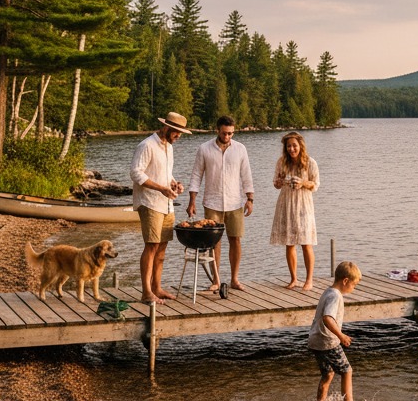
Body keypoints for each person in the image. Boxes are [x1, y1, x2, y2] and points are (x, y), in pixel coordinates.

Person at [187, 115, 254, 292]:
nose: (227, 137)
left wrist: (250, 198)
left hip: (235, 202)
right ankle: (216, 280)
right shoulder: (204, 149)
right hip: (212, 202)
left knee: (236, 239)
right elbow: (196, 176)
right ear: (217, 130)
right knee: (214, 242)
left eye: (231, 134)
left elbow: (246, 175)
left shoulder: (240, 149)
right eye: (224, 133)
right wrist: (192, 201)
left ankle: (234, 279)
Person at [130, 111, 189, 303]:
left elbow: (164, 173)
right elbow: (136, 174)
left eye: (181, 132)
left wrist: (173, 183)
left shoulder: (168, 147)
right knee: (152, 245)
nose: (179, 136)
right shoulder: (146, 145)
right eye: (176, 132)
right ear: (166, 127)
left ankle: (157, 287)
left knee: (162, 247)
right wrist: (161, 188)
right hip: (149, 202)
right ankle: (146, 292)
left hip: (167, 204)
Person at [309, 260, 361, 401]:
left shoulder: (327, 291)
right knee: (346, 370)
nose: (354, 288)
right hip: (327, 341)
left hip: (315, 340)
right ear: (345, 281)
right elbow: (327, 318)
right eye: (354, 285)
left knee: (328, 374)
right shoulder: (335, 296)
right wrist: (341, 335)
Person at [270, 131, 320, 290]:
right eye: (289, 146)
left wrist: (303, 183)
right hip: (286, 203)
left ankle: (309, 280)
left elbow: (316, 185)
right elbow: (276, 184)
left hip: (304, 205)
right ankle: (294, 279)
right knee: (289, 243)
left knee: (306, 242)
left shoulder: (310, 162)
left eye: (294, 146)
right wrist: (278, 182)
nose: (291, 149)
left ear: (300, 146)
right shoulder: (282, 162)